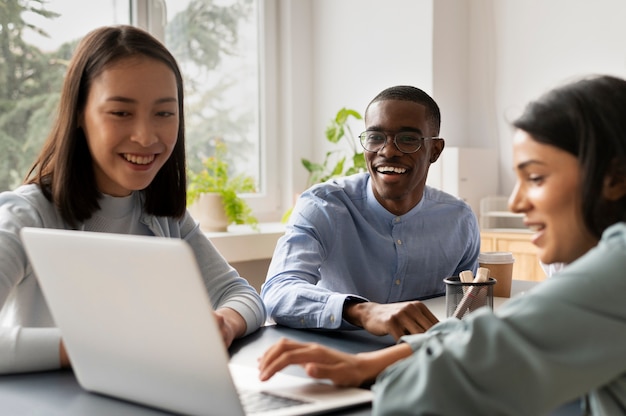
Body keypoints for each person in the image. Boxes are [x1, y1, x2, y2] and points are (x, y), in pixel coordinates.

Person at [258, 74, 626, 415]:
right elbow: (479, 332)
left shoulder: (616, 266)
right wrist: (364, 351)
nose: (515, 203)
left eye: (536, 177)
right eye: (376, 137)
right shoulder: (323, 204)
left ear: (614, 179)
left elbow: (435, 381)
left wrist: (375, 368)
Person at [0, 25, 266, 375]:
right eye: (121, 113)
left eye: (164, 113)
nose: (146, 136)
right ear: (79, 114)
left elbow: (242, 296)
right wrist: (96, 347)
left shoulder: (164, 217)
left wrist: (224, 324)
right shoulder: (25, 215)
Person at [261, 86, 481, 339]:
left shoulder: (459, 220)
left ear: (435, 150)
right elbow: (278, 292)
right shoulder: (323, 205)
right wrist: (364, 312)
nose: (388, 151)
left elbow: (466, 306)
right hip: (336, 357)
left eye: (408, 139)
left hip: (421, 360)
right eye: (376, 137)